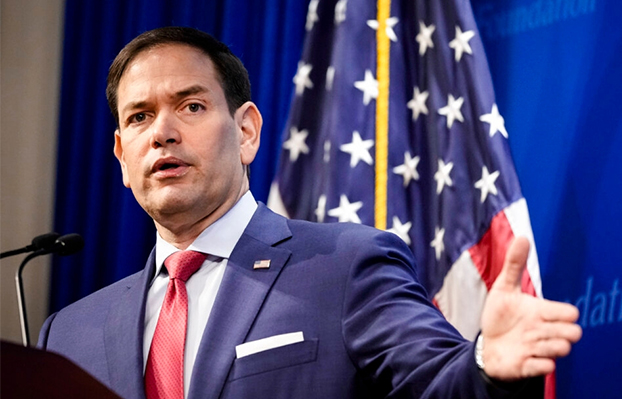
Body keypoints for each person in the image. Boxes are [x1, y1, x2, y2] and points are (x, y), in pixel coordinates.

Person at [38, 27, 581, 399]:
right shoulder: (66, 334)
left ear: (247, 130)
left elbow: (438, 382)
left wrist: (488, 363)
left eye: (192, 106)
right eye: (139, 117)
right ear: (122, 157)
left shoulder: (346, 267)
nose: (162, 133)